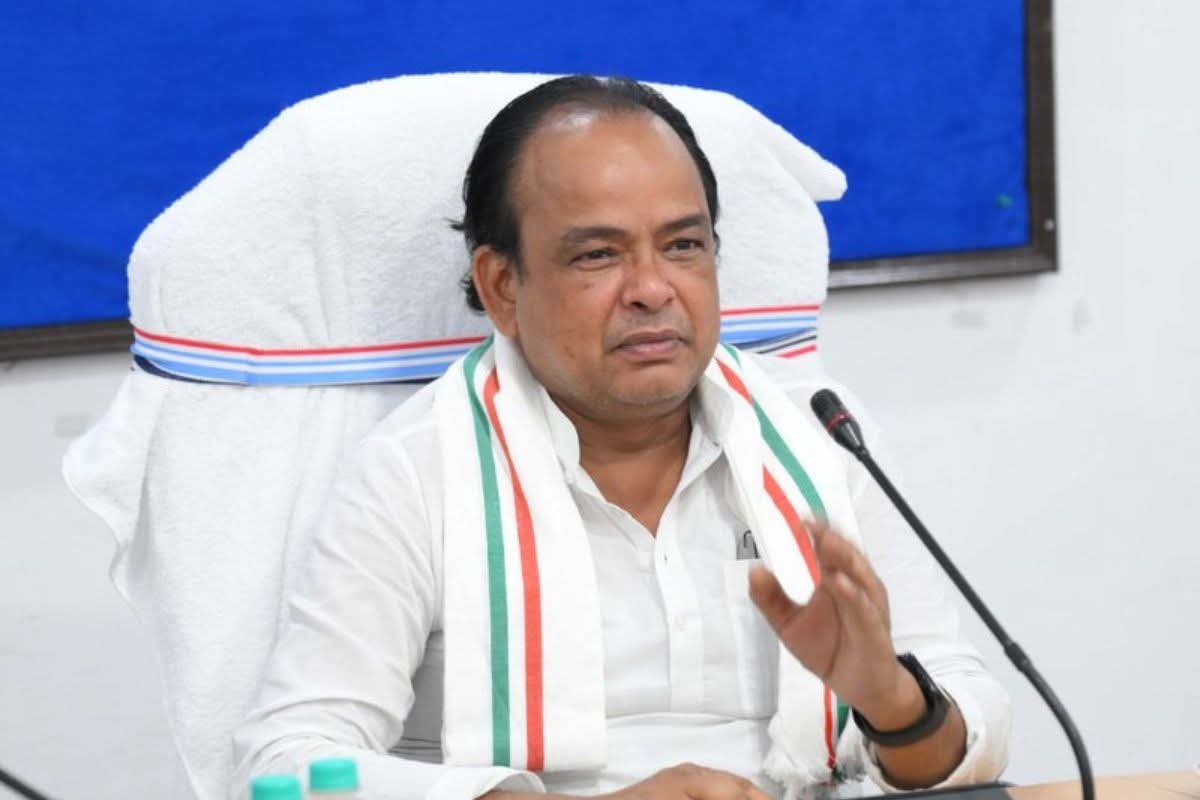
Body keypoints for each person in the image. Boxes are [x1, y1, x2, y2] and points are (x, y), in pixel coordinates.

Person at [232, 75, 1009, 800]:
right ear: (502, 286)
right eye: (598, 255)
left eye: (683, 246)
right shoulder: (415, 471)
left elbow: (969, 726)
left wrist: (891, 702)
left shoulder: (818, 432)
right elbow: (287, 759)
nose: (652, 289)